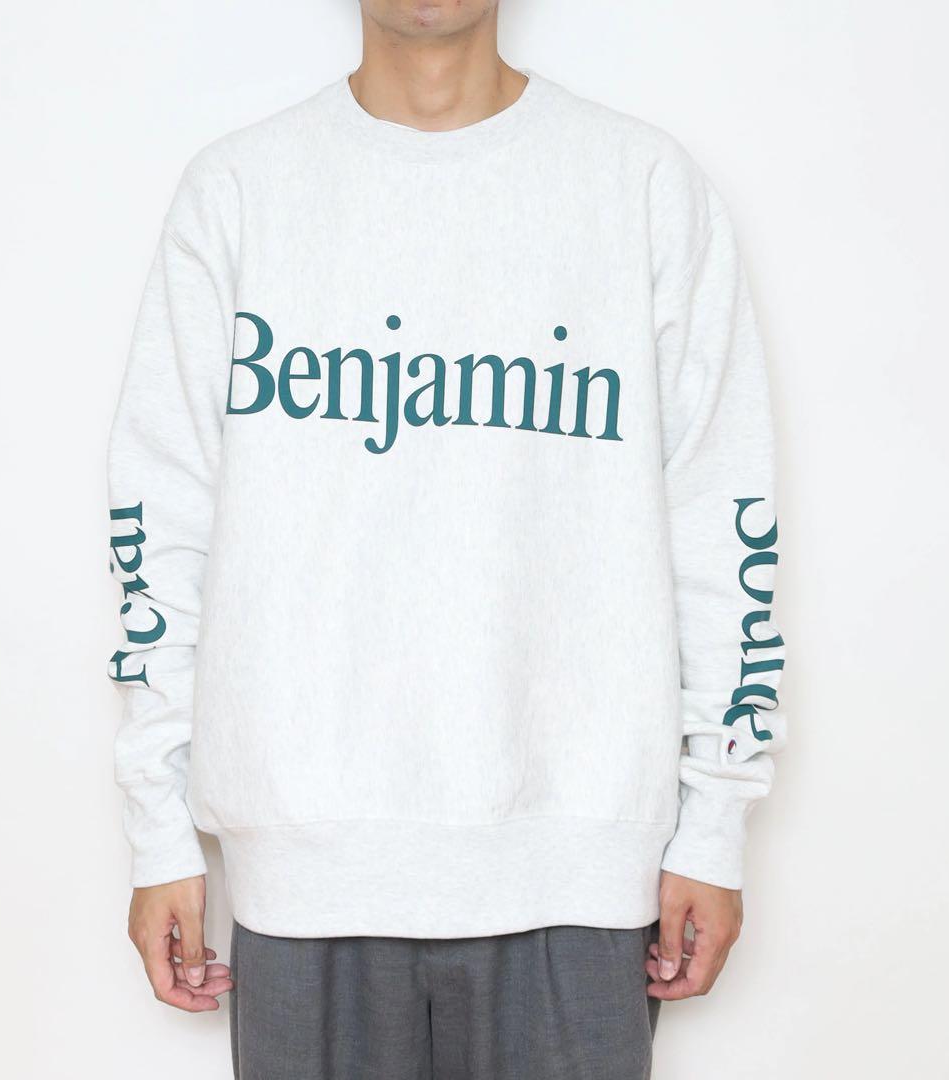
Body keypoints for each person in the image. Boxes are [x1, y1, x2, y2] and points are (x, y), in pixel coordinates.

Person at [106, 2, 786, 1076]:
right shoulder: (239, 190)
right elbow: (161, 510)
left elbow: (721, 511)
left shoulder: (644, 187)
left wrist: (715, 822)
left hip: (579, 870)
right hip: (304, 872)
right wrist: (157, 828)